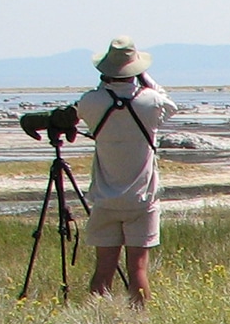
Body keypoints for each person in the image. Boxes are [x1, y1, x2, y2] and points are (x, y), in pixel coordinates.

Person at [73, 36, 176, 306]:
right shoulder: (151, 101)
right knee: (138, 269)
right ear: (136, 68)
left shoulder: (91, 101)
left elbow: (78, 112)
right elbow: (170, 105)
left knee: (103, 268)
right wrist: (145, 77)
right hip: (142, 199)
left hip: (105, 198)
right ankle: (140, 320)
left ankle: (96, 319)